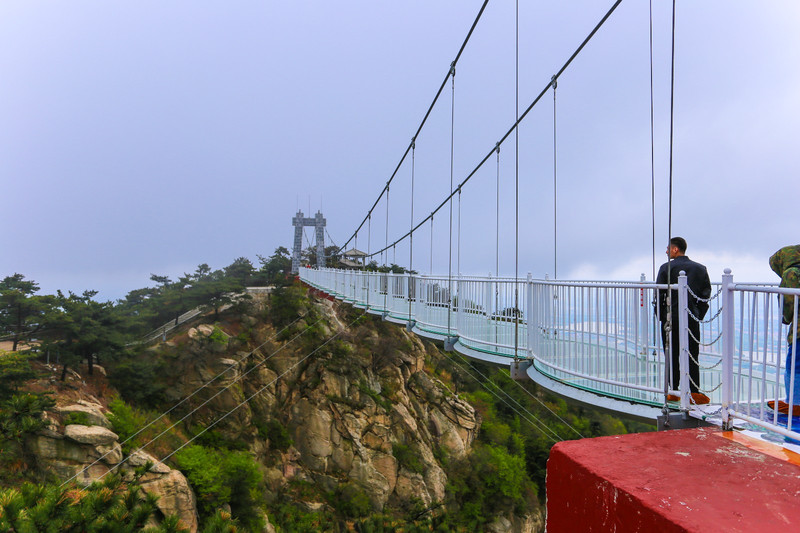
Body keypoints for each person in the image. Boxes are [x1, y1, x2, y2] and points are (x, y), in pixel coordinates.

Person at [656, 237, 712, 404]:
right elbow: (705, 295)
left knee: (671, 353)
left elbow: (659, 294)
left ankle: (673, 390)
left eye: (668, 248)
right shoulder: (700, 269)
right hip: (691, 317)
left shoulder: (666, 268)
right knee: (692, 353)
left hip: (670, 318)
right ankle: (694, 392)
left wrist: (661, 316)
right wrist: (696, 314)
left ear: (675, 249)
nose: (666, 251)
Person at [768, 245, 800, 416]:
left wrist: (786, 318)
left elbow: (789, 303)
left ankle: (795, 404)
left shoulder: (791, 274)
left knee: (795, 365)